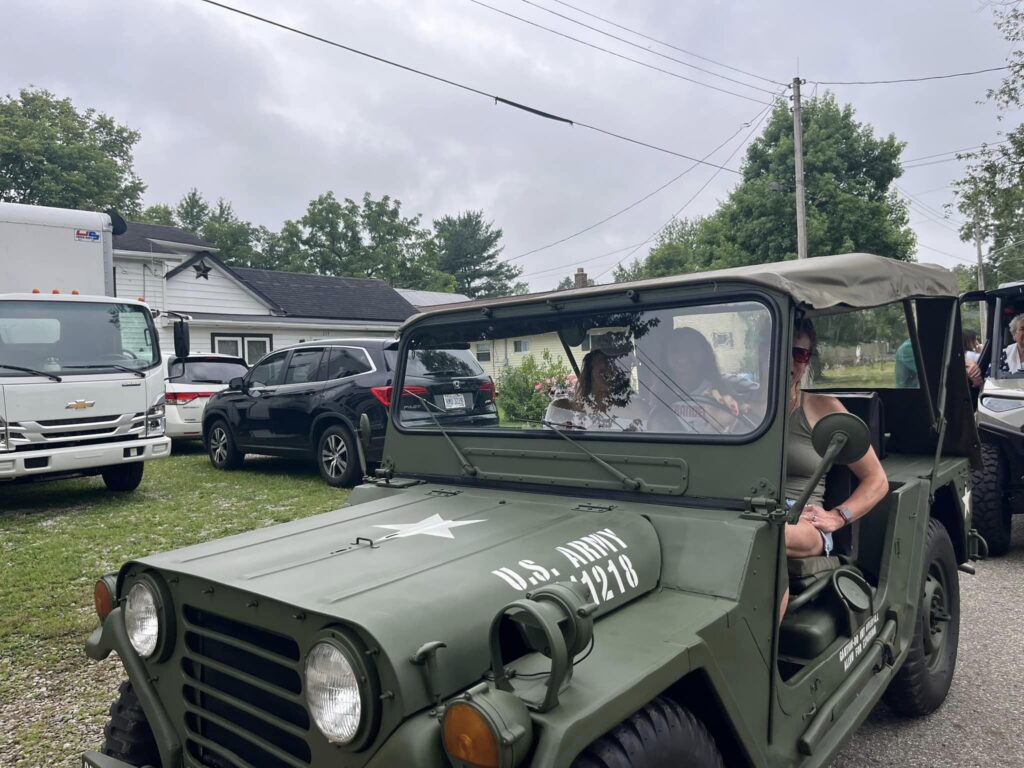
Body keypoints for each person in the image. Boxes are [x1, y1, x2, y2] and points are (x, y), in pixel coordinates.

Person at [783, 318, 888, 616]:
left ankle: (758, 659)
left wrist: (838, 516)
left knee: (761, 539)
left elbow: (876, 479)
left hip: (798, 517)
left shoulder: (822, 408)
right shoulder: (744, 405)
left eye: (800, 354)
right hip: (744, 507)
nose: (791, 362)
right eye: (781, 351)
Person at [544, 349, 645, 431]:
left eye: (615, 364)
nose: (610, 369)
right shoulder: (562, 408)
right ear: (589, 372)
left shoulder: (634, 407)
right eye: (603, 370)